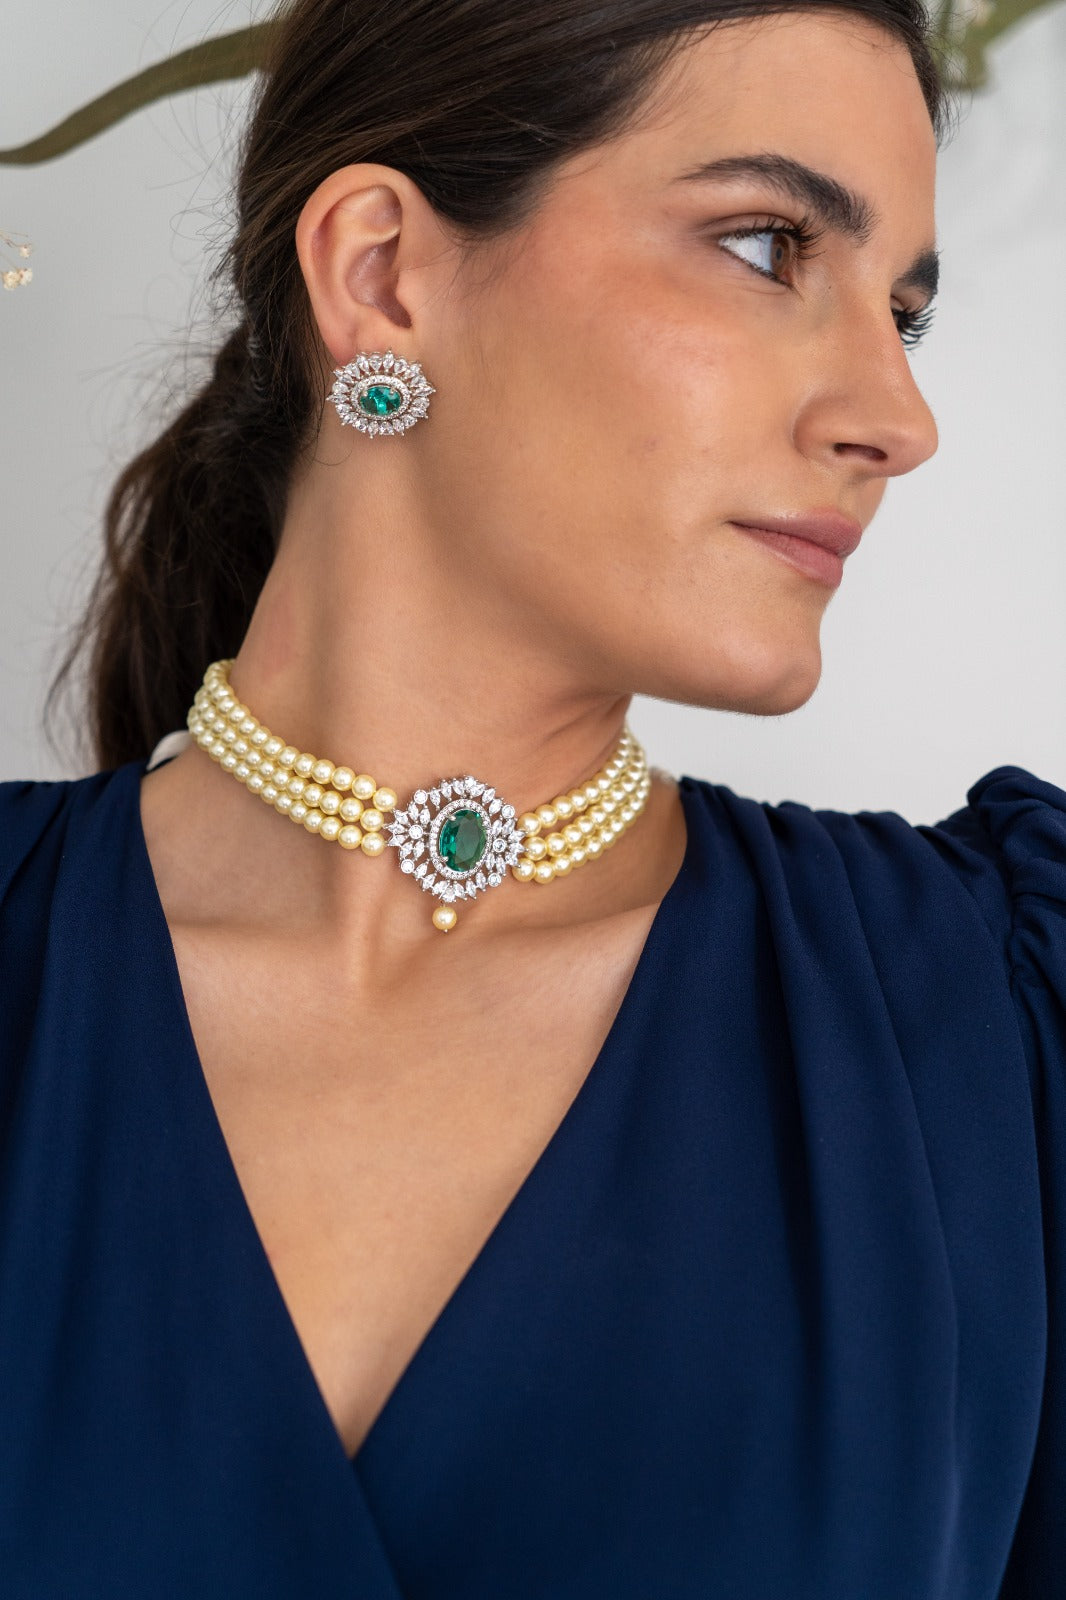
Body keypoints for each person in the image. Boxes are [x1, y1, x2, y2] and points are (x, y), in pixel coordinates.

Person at [1, 0, 1062, 1593]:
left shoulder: (996, 1018)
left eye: (900, 315)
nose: (896, 422)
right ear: (382, 274)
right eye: (767, 246)